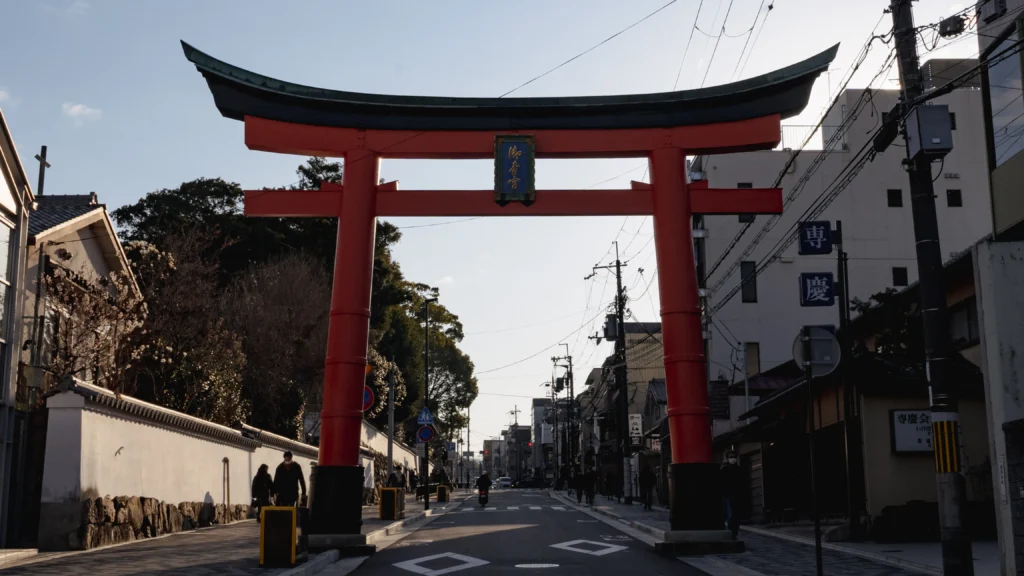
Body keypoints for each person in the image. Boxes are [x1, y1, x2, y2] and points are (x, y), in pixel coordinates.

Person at [720, 450, 743, 540]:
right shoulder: (724, 470)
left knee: (736, 516)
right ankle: (730, 532)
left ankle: (734, 533)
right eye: (731, 457)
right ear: (727, 458)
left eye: (734, 456)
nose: (733, 458)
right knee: (731, 514)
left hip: (737, 495)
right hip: (727, 495)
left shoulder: (739, 469)